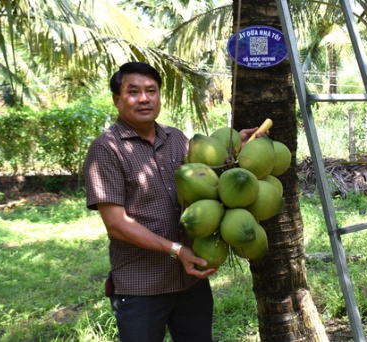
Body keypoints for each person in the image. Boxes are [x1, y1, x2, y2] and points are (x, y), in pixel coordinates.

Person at [83, 61, 264, 342]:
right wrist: (177, 250)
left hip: (190, 281)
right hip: (141, 286)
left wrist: (239, 144)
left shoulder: (176, 138)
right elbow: (116, 225)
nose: (144, 99)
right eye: (133, 92)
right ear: (117, 99)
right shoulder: (106, 148)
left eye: (151, 91)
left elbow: (208, 173)